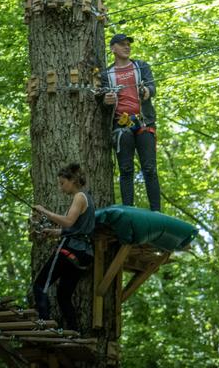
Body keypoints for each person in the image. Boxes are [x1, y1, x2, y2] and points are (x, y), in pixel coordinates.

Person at [101, 33, 161, 211]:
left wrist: (147, 91)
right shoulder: (107, 74)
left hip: (144, 122)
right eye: (122, 44)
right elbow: (101, 99)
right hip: (121, 125)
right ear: (113, 49)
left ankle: (156, 212)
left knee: (149, 169)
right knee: (126, 169)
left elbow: (152, 87)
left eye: (128, 44)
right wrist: (106, 100)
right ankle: (128, 211)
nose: (127, 47)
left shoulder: (140, 66)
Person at [32, 163, 95, 333]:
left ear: (72, 180)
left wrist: (44, 211)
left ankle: (44, 326)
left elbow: (68, 222)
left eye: (62, 183)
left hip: (70, 250)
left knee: (40, 286)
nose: (61, 187)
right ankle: (74, 332)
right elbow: (76, 229)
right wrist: (55, 232)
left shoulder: (79, 197)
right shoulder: (88, 198)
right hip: (83, 254)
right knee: (63, 296)